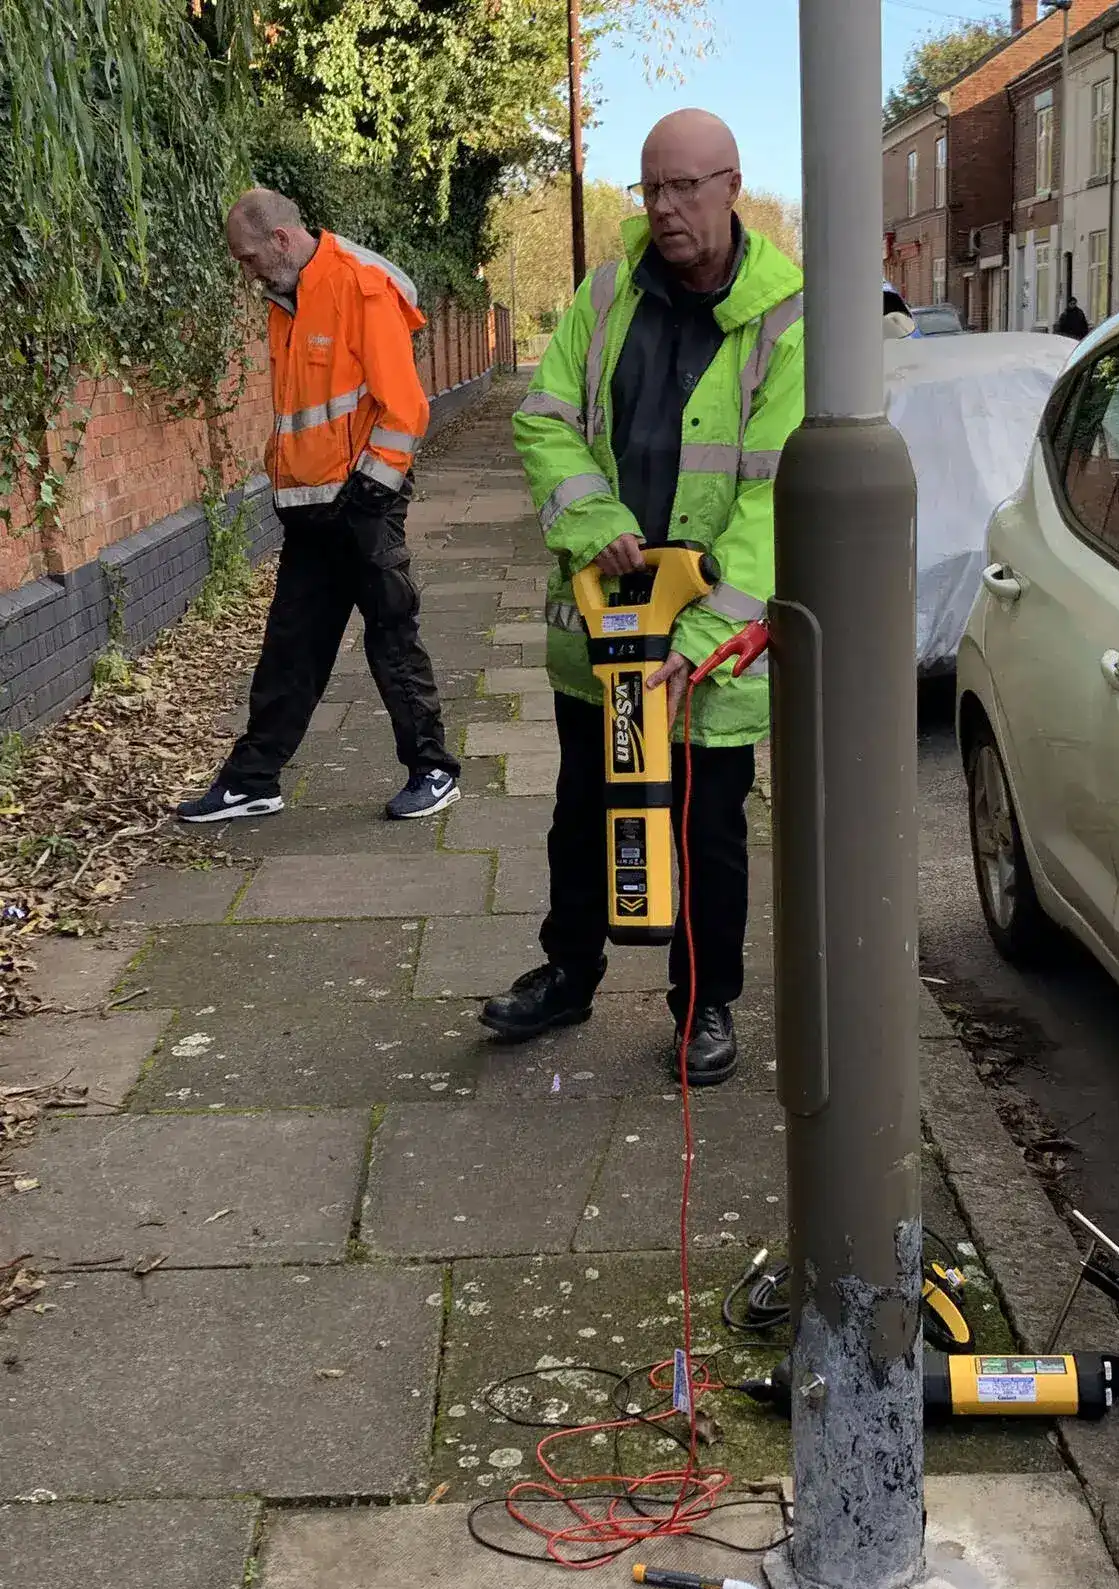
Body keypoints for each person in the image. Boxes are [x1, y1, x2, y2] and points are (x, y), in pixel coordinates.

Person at [480, 110, 805, 1087]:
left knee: (706, 833)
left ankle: (704, 1007)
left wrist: (700, 641)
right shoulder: (609, 290)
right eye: (650, 188)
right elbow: (544, 420)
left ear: (731, 185)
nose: (664, 208)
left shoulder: (785, 317)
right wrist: (590, 519)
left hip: (704, 653)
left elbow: (773, 497)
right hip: (605, 630)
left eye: (684, 188)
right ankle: (569, 974)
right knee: (584, 813)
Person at [177, 189, 461, 824]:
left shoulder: (358, 287)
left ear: (281, 240)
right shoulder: (287, 301)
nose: (245, 271)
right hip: (310, 510)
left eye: (248, 257)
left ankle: (433, 770)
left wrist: (373, 487)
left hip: (363, 502)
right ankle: (253, 779)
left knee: (390, 633)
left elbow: (405, 406)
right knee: (292, 644)